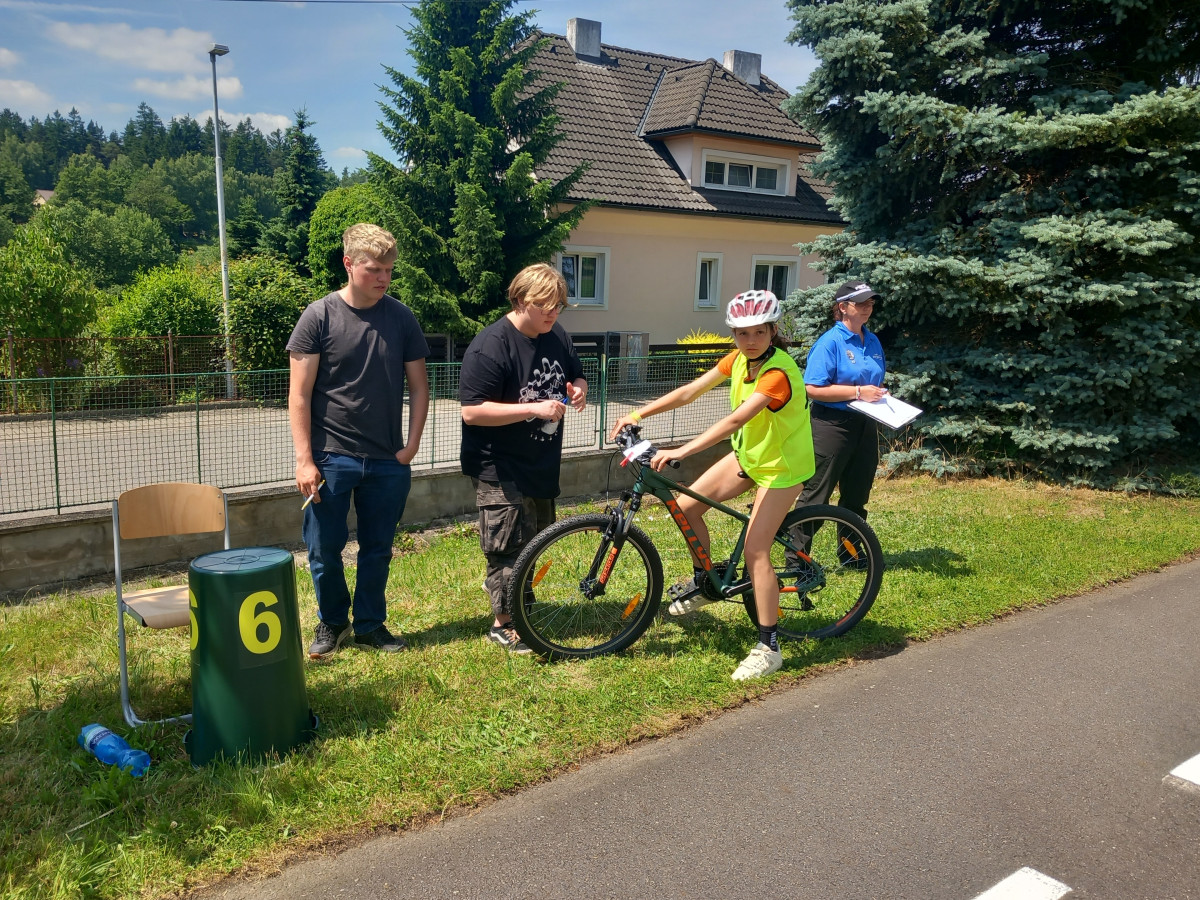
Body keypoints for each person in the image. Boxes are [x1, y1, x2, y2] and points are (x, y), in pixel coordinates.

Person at [608, 290, 815, 681]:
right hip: (750, 457)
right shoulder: (738, 359)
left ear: (773, 331)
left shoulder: (777, 374)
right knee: (688, 508)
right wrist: (638, 411)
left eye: (757, 332)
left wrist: (681, 450)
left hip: (782, 469)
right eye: (741, 333)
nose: (749, 340)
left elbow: (735, 421)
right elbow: (690, 391)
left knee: (756, 552)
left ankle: (769, 647)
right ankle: (708, 581)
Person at [287, 223, 430, 659]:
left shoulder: (402, 318)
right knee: (323, 550)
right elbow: (298, 394)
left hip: (387, 460)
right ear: (348, 264)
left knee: (377, 550)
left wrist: (411, 446)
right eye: (374, 269)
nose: (384, 277)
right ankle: (333, 623)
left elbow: (420, 387)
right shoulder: (319, 316)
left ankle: (370, 624)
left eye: (389, 269)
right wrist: (304, 460)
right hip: (331, 458)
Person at [459, 263, 587, 654]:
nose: (552, 314)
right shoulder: (490, 345)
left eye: (558, 306)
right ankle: (503, 624)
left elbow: (577, 376)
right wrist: (533, 409)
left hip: (540, 461)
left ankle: (512, 598)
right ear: (519, 300)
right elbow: (472, 411)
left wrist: (578, 391)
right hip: (499, 465)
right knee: (506, 547)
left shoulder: (556, 334)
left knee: (534, 542)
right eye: (544, 306)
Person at [790, 280, 887, 540]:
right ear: (843, 307)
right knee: (816, 496)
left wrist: (879, 393)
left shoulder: (872, 339)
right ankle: (798, 561)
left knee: (857, 494)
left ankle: (852, 553)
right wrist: (857, 392)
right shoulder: (829, 342)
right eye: (861, 303)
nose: (868, 308)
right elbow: (812, 388)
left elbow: (873, 379)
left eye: (871, 303)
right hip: (831, 426)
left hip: (866, 423)